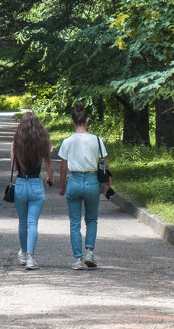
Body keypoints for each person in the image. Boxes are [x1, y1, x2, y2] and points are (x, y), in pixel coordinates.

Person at [58, 102, 111, 270]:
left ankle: (77, 259)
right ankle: (89, 251)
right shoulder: (96, 140)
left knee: (74, 222)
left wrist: (62, 186)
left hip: (74, 180)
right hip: (91, 181)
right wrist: (109, 184)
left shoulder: (67, 141)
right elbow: (104, 164)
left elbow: (64, 167)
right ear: (87, 120)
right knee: (92, 219)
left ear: (72, 121)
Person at [10, 111, 54, 270]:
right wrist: (50, 178)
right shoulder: (42, 142)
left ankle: (22, 252)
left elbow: (13, 168)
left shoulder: (16, 143)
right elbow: (49, 164)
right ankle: (30, 258)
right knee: (33, 222)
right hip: (36, 183)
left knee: (22, 221)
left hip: (21, 183)